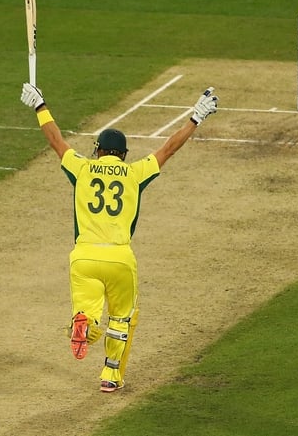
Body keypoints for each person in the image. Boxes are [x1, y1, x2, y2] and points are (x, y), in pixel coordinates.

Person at [20, 82, 218, 392]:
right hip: (119, 259)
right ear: (123, 155)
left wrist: (39, 107)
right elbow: (168, 148)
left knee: (87, 309)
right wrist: (196, 117)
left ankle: (86, 323)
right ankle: (111, 376)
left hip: (83, 257)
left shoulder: (83, 169)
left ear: (97, 150)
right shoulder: (135, 172)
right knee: (123, 318)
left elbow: (57, 141)